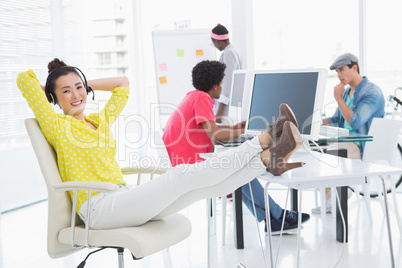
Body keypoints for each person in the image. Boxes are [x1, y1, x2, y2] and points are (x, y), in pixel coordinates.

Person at [17, 58, 304, 231]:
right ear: (53, 99)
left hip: (122, 198)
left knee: (201, 190)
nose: (76, 95)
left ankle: (266, 160)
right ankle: (265, 138)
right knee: (181, 176)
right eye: (66, 92)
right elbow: (24, 80)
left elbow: (123, 85)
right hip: (98, 209)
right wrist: (55, 86)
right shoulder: (56, 125)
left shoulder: (98, 122)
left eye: (79, 88)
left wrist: (81, 80)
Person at [163, 60, 310, 234]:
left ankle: (274, 220)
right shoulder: (202, 98)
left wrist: (236, 129)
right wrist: (244, 133)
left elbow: (208, 129)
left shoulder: (193, 96)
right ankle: (279, 213)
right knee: (241, 169)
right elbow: (215, 134)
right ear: (216, 85)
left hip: (187, 163)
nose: (222, 87)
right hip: (193, 165)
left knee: (239, 178)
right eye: (222, 83)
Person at [313, 52, 385, 214]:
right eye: (336, 71)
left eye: (341, 70)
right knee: (315, 149)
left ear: (355, 67)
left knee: (324, 153)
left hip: (361, 146)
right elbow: (337, 118)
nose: (339, 75)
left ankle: (339, 194)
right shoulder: (347, 92)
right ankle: (334, 195)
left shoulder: (371, 92)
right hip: (346, 141)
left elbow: (356, 121)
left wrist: (338, 99)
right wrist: (314, 123)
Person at [211, 24, 242, 124]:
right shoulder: (231, 51)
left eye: (213, 43)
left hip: (226, 109)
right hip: (228, 105)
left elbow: (228, 82)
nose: (215, 46)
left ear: (217, 41)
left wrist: (220, 109)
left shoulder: (229, 53)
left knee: (222, 136)